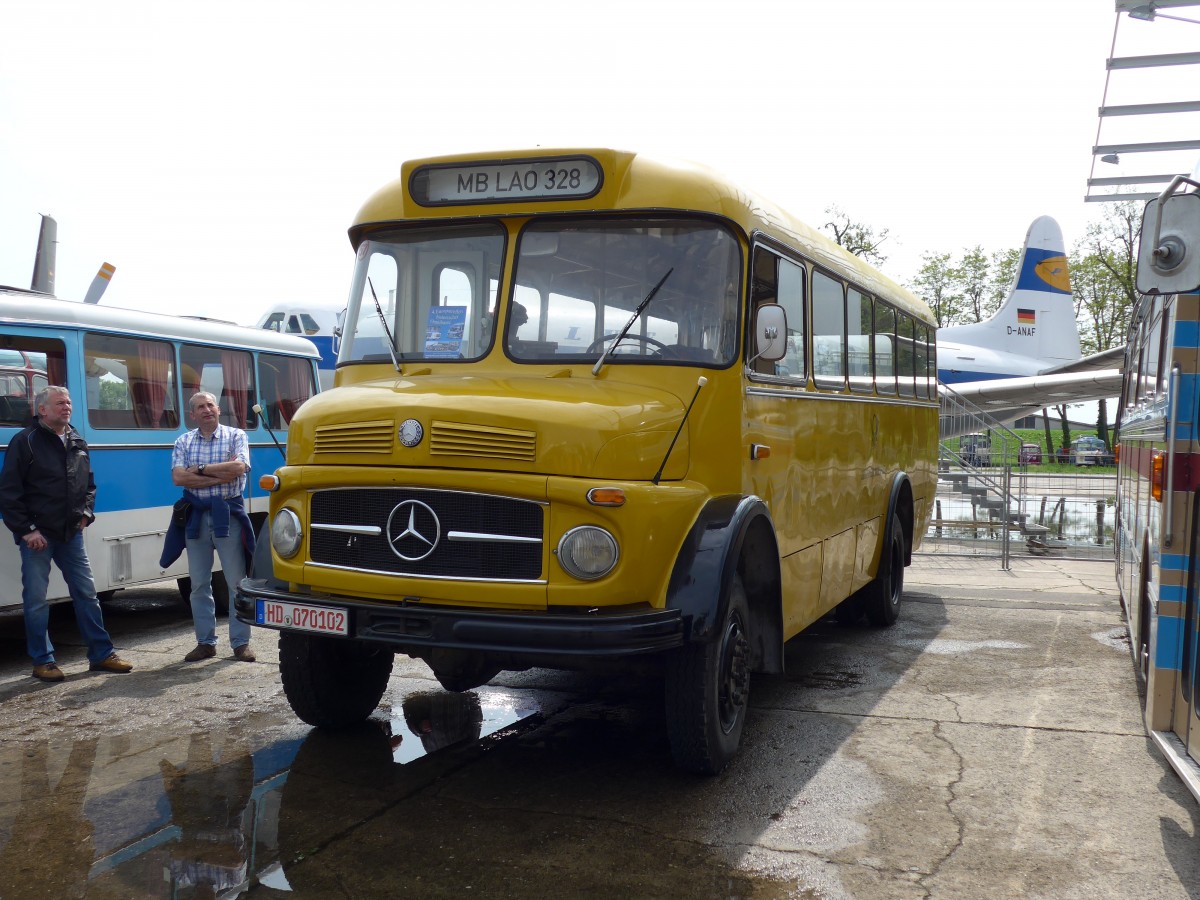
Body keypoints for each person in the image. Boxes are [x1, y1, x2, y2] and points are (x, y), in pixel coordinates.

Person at [0, 385, 134, 682]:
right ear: (42, 409)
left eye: (69, 402)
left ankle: (101, 654)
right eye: (60, 402)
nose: (67, 406)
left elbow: (89, 485)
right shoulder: (26, 442)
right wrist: (26, 531)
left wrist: (85, 515)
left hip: (70, 533)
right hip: (38, 537)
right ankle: (43, 661)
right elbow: (9, 493)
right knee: (36, 600)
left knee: (87, 594)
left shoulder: (77, 440)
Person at [169, 391, 256, 663]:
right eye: (199, 407)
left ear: (218, 409)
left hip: (227, 515)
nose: (206, 410)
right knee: (198, 584)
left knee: (236, 582)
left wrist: (200, 470)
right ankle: (205, 643)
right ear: (192, 415)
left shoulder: (236, 435)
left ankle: (241, 643)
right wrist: (219, 475)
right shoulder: (182, 440)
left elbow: (239, 468)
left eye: (210, 405)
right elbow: (178, 478)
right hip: (196, 517)